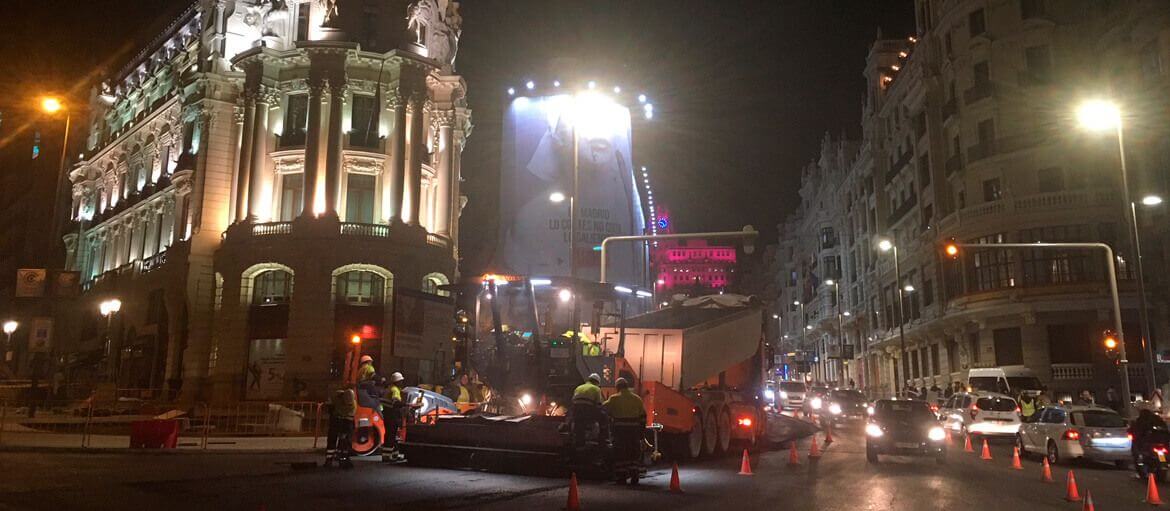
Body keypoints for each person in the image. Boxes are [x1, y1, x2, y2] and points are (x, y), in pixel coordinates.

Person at [604, 378, 646, 470]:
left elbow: (603, 409)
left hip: (620, 430)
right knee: (633, 449)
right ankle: (634, 469)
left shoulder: (614, 398)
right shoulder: (637, 399)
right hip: (634, 430)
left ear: (617, 387)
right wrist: (641, 432)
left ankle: (621, 472)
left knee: (620, 449)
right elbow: (643, 416)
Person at [380, 372, 410, 462]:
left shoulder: (388, 389)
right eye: (401, 381)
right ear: (397, 381)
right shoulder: (395, 390)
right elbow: (396, 402)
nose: (402, 382)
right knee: (391, 435)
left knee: (391, 435)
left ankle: (392, 455)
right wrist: (408, 405)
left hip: (387, 414)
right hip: (392, 415)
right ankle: (387, 457)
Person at [325, 385, 356, 469]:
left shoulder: (348, 403)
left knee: (339, 441)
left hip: (339, 421)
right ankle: (339, 460)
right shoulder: (341, 401)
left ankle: (332, 460)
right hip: (340, 421)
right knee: (341, 441)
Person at [571, 373, 605, 446]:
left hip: (576, 411)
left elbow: (573, 401)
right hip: (587, 411)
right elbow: (599, 404)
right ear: (597, 382)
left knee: (579, 427)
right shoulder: (596, 388)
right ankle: (602, 440)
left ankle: (579, 444)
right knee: (603, 417)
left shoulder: (578, 387)